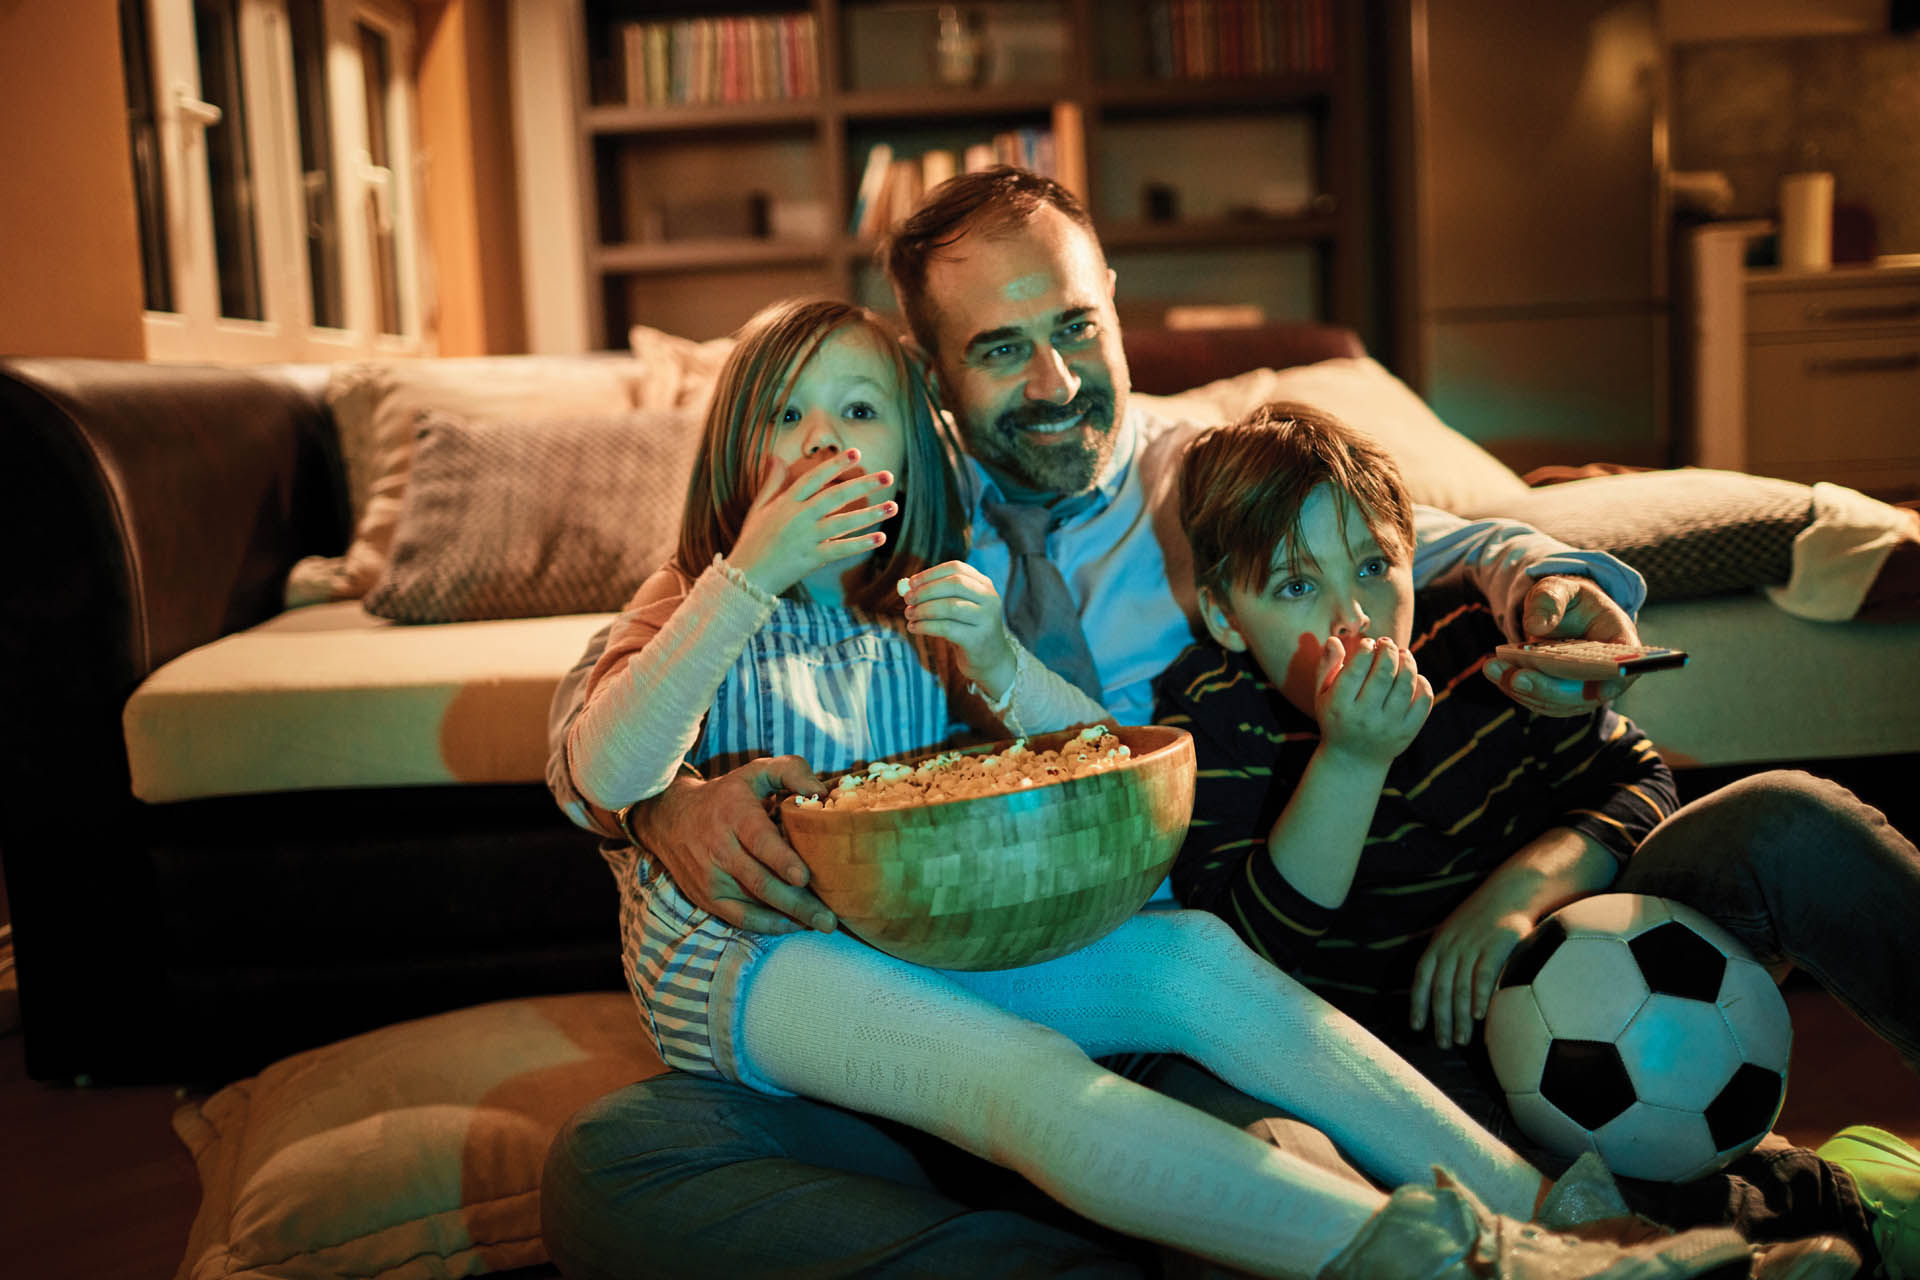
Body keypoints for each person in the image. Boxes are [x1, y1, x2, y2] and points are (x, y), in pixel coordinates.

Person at [540, 168, 1663, 1279]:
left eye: (1075, 326)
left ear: (1114, 303)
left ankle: (1571, 1226)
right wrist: (663, 800)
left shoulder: (1175, 485)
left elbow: (1404, 541)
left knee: (1196, 979)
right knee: (648, 1162)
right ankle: (1434, 1260)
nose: (1055, 379)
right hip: (798, 955)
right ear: (938, 383)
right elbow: (597, 746)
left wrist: (1548, 577)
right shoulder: (783, 558)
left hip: (1070, 925)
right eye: (1000, 348)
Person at [1155, 399, 1920, 1274]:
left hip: (1596, 949)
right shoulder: (1209, 713)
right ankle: (1796, 1215)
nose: (1354, 617)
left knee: (1786, 813)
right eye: (1296, 587)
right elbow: (1248, 961)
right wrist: (1352, 758)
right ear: (1224, 616)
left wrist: (1516, 895)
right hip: (1414, 1047)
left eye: (1373, 566)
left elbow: (1640, 783)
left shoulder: (1473, 640)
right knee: (1445, 1163)